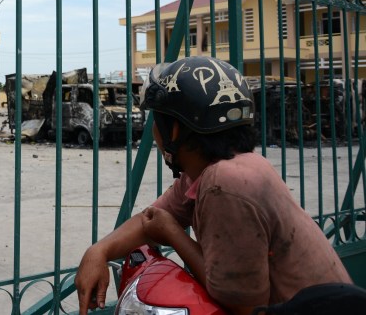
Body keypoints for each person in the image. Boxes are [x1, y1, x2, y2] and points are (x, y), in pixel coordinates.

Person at [75, 56, 352, 315]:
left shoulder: (225, 183)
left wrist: (174, 234)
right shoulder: (221, 170)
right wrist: (98, 252)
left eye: (155, 122)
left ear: (174, 130)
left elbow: (244, 304)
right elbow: (150, 219)